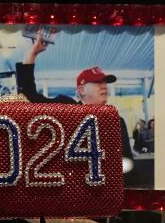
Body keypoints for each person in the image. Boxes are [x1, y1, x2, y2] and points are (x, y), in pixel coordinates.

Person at [14, 31, 133, 165]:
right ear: (81, 90)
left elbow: (127, 161)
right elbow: (30, 96)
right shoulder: (67, 108)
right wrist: (33, 54)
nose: (104, 87)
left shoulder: (116, 120)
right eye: (98, 82)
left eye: (105, 83)